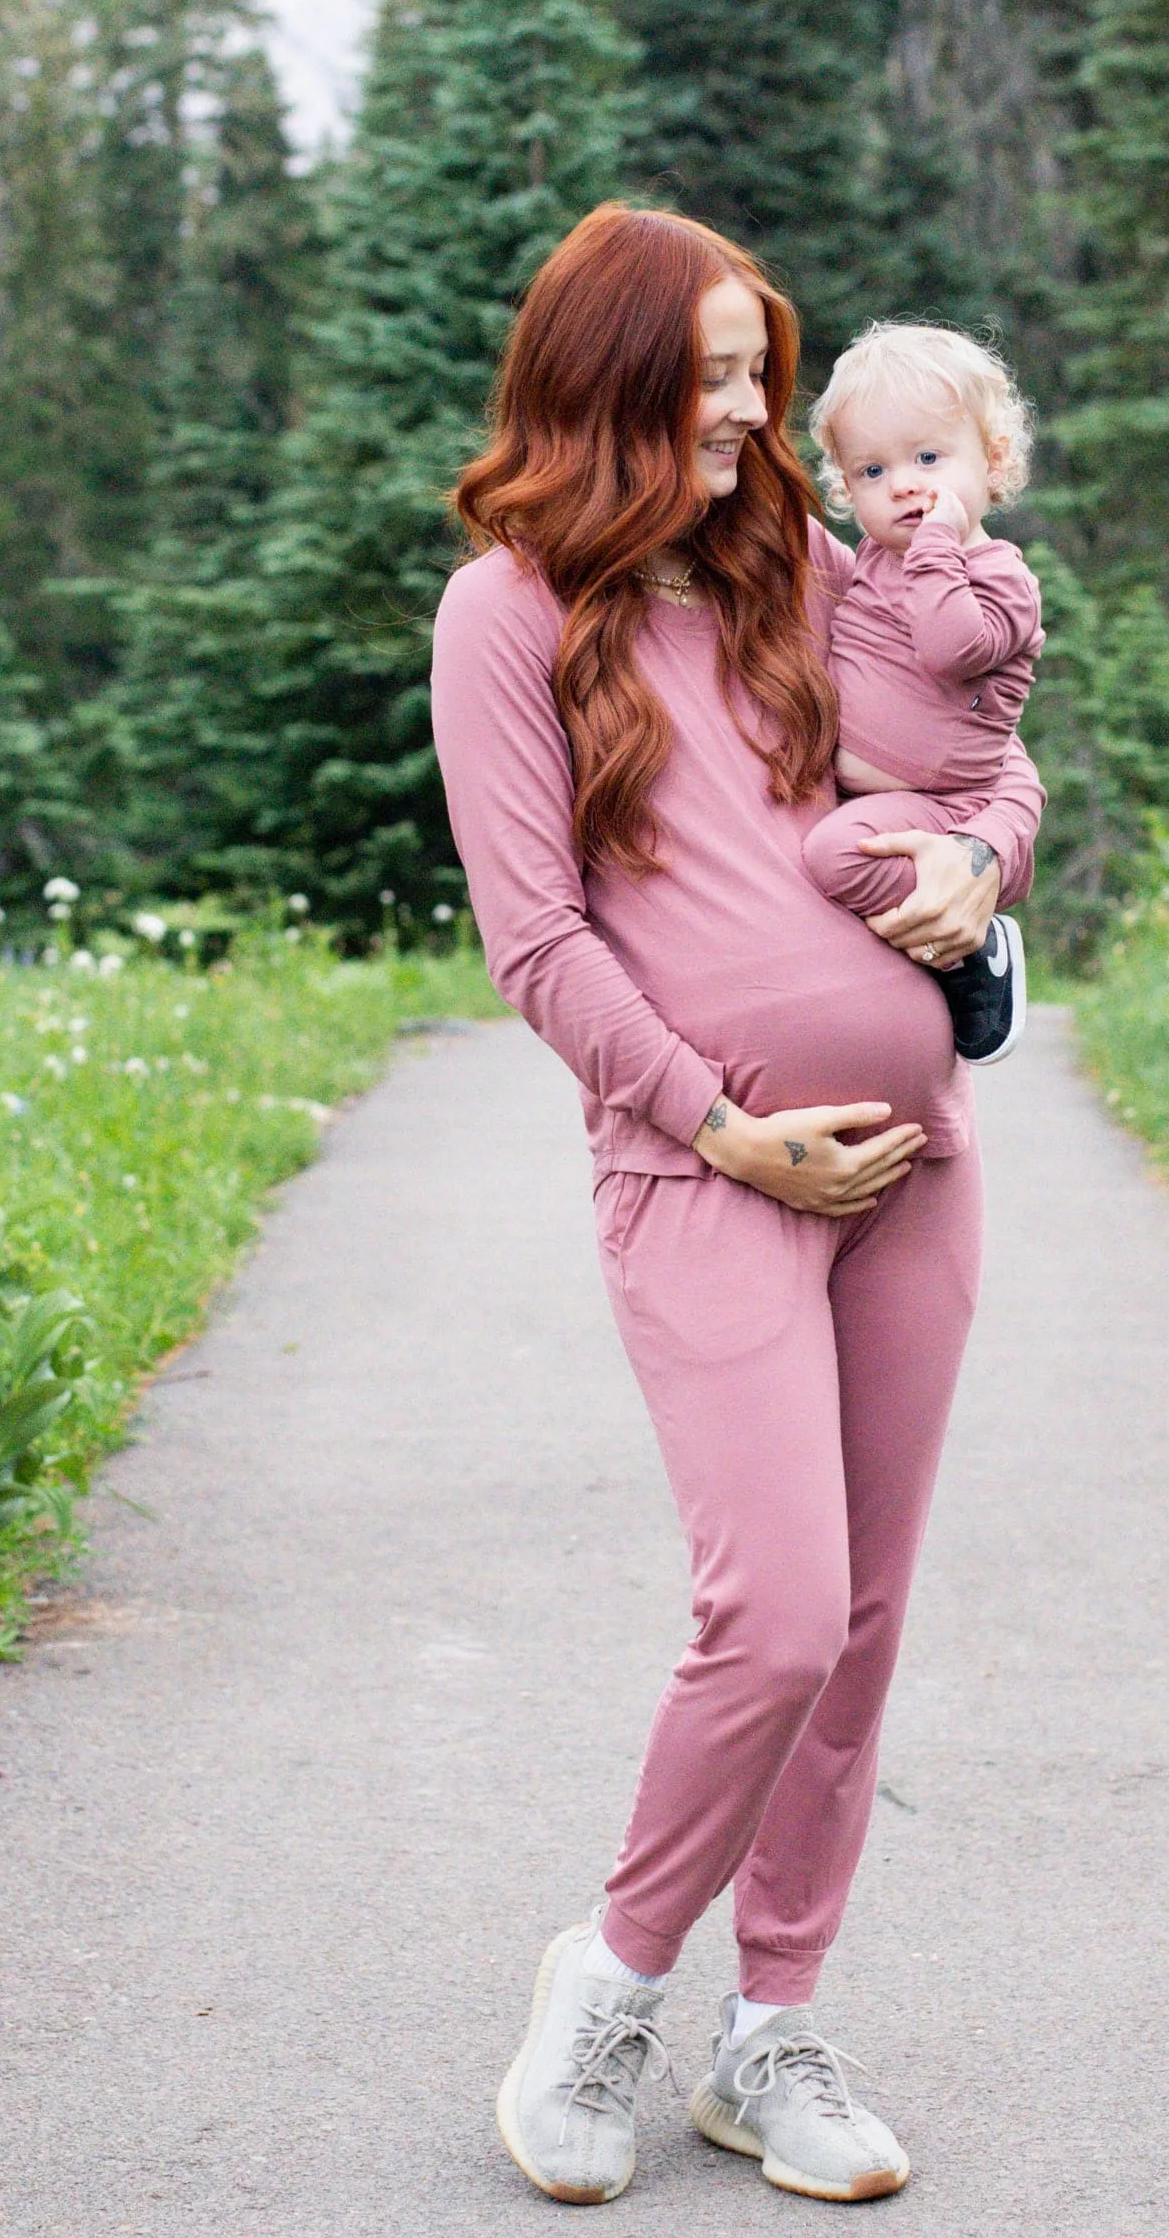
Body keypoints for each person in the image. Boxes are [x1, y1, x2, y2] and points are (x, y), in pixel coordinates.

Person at [431, 203, 1042, 2207]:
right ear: (603, 382)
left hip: (913, 1176)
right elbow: (538, 946)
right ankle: (608, 1986)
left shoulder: (796, 561)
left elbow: (983, 741)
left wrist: (987, 870)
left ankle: (770, 2033)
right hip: (708, 1177)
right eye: (710, 369)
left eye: (758, 362)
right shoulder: (509, 618)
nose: (754, 401)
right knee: (771, 1612)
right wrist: (723, 1126)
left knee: (858, 1629)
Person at [799, 323, 1045, 1068]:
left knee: (835, 854)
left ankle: (970, 948)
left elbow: (950, 649)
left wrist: (937, 544)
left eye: (929, 458)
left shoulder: (1000, 576)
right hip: (882, 794)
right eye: (872, 471)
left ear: (992, 459)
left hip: (947, 804)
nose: (904, 484)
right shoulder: (867, 562)